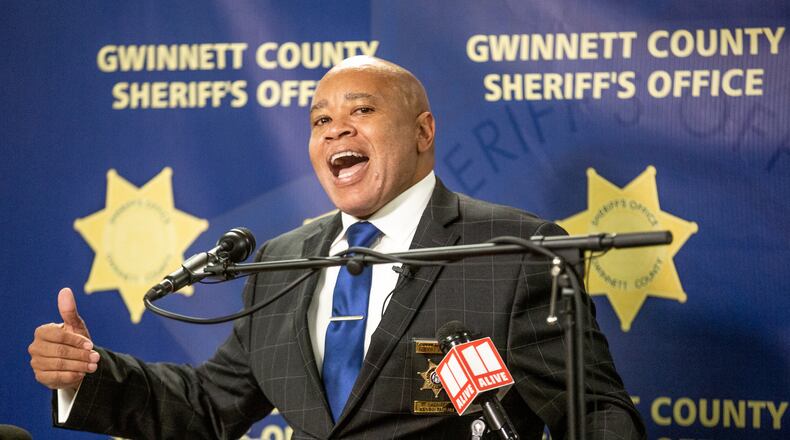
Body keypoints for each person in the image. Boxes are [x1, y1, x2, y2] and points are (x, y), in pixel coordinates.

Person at [28, 56, 645, 439]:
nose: (336, 130)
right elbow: (210, 407)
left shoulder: (511, 250)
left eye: (362, 110)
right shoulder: (281, 260)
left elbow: (593, 414)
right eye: (320, 120)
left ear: (424, 131)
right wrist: (91, 376)